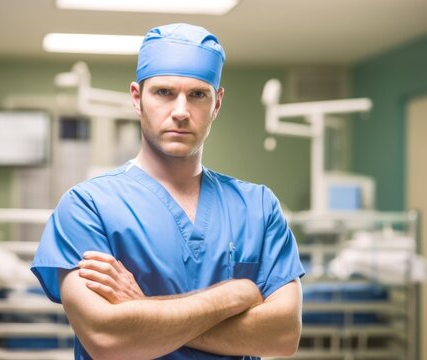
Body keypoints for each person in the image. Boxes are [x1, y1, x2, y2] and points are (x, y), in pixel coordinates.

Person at [31, 23, 305, 360]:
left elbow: (282, 336)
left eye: (197, 95)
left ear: (216, 103)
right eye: (163, 92)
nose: (180, 111)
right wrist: (235, 294)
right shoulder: (87, 207)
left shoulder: (257, 207)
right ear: (137, 98)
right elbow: (106, 338)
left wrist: (143, 313)